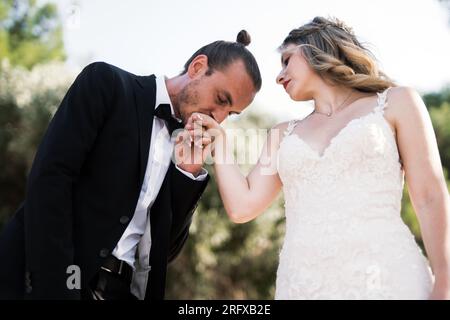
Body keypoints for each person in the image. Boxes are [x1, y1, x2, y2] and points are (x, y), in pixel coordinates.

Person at [187, 17, 450, 299]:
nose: (279, 76)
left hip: (387, 276)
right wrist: (220, 144)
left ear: (316, 47)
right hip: (302, 285)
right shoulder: (281, 135)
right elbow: (242, 207)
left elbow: (429, 196)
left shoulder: (397, 102)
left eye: (287, 60)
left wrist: (445, 283)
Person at [0, 30, 261, 300]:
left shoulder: (187, 148)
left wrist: (187, 174)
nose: (218, 117)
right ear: (197, 67)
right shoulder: (107, 84)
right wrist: (60, 289)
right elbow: (50, 182)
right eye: (221, 100)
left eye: (230, 114)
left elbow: (165, 252)